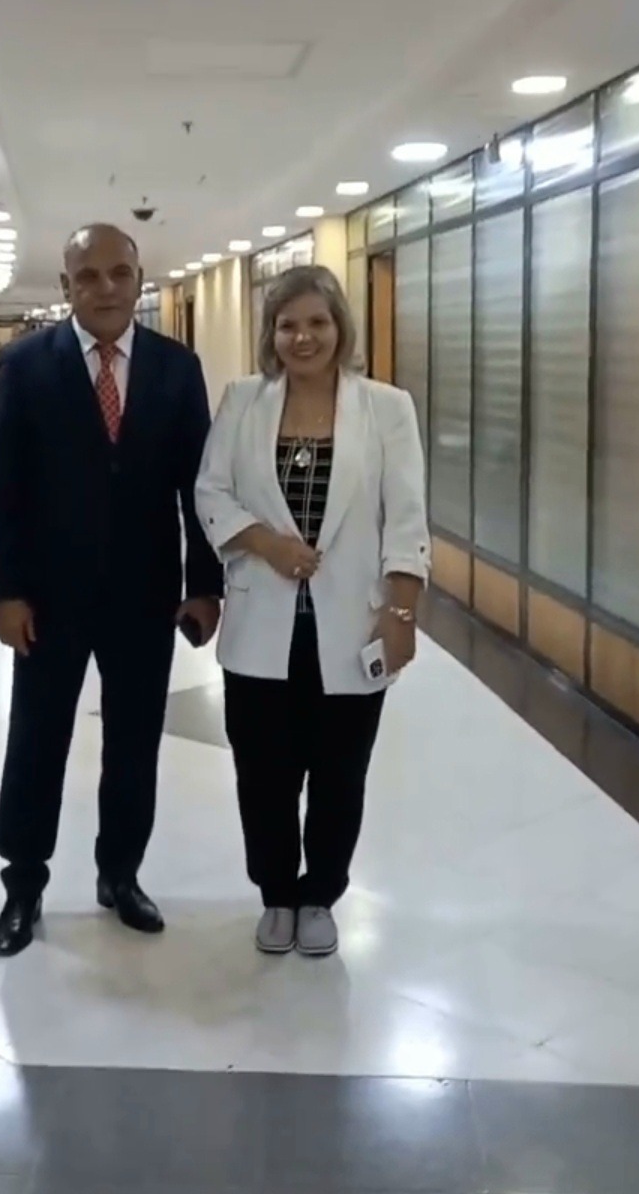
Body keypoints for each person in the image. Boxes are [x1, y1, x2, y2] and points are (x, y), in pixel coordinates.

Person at [0, 223, 222, 957]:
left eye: (121, 273)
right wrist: (6, 591)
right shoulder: (23, 365)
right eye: (89, 276)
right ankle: (23, 884)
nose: (107, 288)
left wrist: (205, 584)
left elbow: (201, 487)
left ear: (141, 279)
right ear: (65, 288)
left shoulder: (178, 369)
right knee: (37, 739)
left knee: (134, 743)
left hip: (145, 595)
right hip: (48, 600)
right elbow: (2, 484)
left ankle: (120, 873)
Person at [195, 264, 429, 957]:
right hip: (260, 626)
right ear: (271, 333)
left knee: (339, 773)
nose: (303, 336)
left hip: (351, 625)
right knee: (263, 774)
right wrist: (265, 542)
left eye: (317, 323)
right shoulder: (243, 401)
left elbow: (406, 515)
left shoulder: (386, 408)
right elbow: (210, 492)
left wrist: (403, 613)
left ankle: (320, 894)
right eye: (288, 324)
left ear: (339, 329)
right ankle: (275, 892)